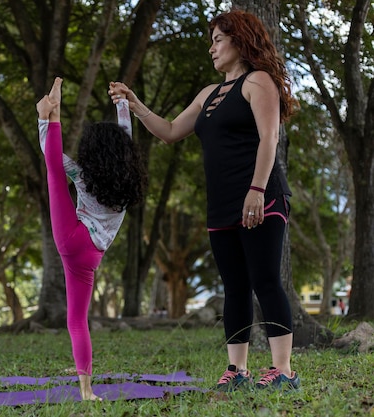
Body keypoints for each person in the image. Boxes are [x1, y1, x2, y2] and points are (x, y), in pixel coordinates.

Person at [109, 10, 300, 392]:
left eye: (217, 39)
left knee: (264, 279)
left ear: (239, 40)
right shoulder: (208, 94)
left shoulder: (258, 81)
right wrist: (134, 103)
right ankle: (238, 369)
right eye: (211, 41)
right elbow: (169, 131)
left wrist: (257, 190)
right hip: (223, 203)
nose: (211, 48)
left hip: (259, 197)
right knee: (234, 286)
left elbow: (269, 139)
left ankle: (284, 371)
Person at [37, 77, 147, 400]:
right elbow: (124, 137)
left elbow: (53, 159)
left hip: (72, 238)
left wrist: (46, 125)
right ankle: (86, 390)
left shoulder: (84, 176)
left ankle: (49, 114)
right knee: (77, 321)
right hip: (90, 256)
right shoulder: (126, 185)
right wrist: (122, 103)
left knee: (55, 175)